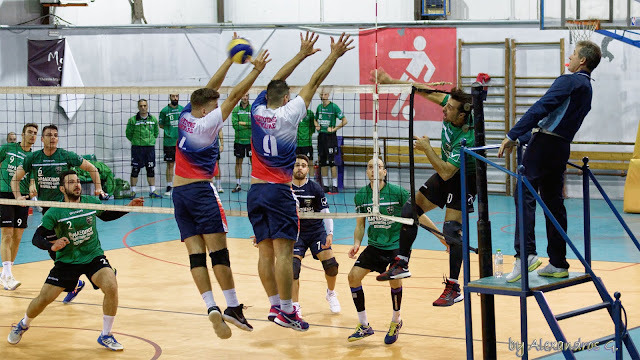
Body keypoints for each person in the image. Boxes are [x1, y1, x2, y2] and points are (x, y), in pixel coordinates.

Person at [248, 31, 353, 332]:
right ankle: (286, 311)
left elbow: (274, 83)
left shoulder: (256, 110)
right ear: (284, 99)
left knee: (265, 253)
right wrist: (332, 55)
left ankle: (273, 305)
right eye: (288, 95)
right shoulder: (291, 113)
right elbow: (314, 83)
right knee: (283, 253)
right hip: (279, 191)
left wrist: (300, 55)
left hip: (255, 191)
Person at [172, 42, 270, 339]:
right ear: (206, 109)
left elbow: (210, 89)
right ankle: (231, 306)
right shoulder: (208, 121)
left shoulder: (186, 117)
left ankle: (210, 305)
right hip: (201, 193)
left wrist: (229, 61)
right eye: (213, 106)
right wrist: (255, 70)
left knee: (195, 256)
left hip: (179, 195)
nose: (218, 107)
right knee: (219, 253)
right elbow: (235, 95)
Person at [498, 40, 602, 282]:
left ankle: (525, 256)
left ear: (582, 61)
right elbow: (556, 120)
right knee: (554, 202)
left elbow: (541, 109)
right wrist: (523, 136)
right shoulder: (587, 88)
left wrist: (512, 134)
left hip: (543, 146)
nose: (571, 56)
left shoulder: (569, 80)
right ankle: (558, 262)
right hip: (560, 148)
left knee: (523, 193)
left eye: (574, 53)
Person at [7, 170, 144, 350]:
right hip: (67, 262)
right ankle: (23, 323)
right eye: (72, 182)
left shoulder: (91, 202)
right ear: (63, 189)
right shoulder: (55, 211)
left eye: (78, 181)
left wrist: (129, 207)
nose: (77, 184)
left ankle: (106, 335)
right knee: (44, 299)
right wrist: (52, 246)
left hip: (93, 256)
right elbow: (36, 238)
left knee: (111, 285)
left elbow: (108, 215)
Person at [374, 68, 477, 308]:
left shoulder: (468, 137)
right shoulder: (453, 109)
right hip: (446, 173)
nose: (444, 109)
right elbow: (422, 90)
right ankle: (401, 262)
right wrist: (392, 80)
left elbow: (445, 171)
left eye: (449, 108)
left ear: (462, 116)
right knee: (410, 209)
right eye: (447, 105)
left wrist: (427, 147)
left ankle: (453, 287)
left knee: (451, 231)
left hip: (463, 179)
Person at [12, 124, 108, 303]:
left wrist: (98, 188)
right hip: (49, 211)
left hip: (67, 209)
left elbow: (92, 169)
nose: (53, 138)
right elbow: (15, 178)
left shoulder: (66, 155)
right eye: (49, 135)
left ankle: (90, 273)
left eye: (56, 135)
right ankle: (77, 280)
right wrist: (18, 197)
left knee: (70, 244)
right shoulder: (34, 158)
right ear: (42, 139)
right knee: (53, 246)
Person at [347, 158, 409, 345]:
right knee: (353, 277)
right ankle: (364, 325)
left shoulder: (398, 193)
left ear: (384, 172)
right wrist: (357, 242)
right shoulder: (361, 196)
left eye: (378, 167)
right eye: (370, 167)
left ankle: (396, 321)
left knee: (394, 279)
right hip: (375, 245)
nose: (374, 170)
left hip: (396, 244)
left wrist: (441, 237)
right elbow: (360, 224)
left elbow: (417, 213)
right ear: (367, 172)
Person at [291, 154, 340, 315]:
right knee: (293, 269)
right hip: (295, 234)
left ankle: (331, 294)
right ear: (292, 167)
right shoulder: (285, 188)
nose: (300, 168)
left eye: (303, 165)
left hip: (316, 232)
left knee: (331, 266)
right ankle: (295, 305)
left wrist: (330, 233)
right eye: (297, 165)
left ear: (308, 169)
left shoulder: (315, 188)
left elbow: (325, 211)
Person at [0, 123, 38, 290]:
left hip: (22, 196)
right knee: (7, 234)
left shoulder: (34, 156)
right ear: (23, 134)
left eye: (35, 133)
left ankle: (6, 272)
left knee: (18, 236)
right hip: (5, 193)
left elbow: (33, 176)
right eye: (29, 132)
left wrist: (32, 184)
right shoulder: (8, 148)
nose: (32, 135)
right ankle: (8, 275)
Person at [126, 99, 162, 198]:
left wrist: (150, 141)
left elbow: (156, 133)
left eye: (144, 105)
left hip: (149, 148)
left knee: (150, 169)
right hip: (137, 148)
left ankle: (152, 191)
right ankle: (133, 191)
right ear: (138, 107)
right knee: (135, 169)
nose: (143, 107)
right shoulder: (133, 120)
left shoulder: (153, 119)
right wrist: (136, 141)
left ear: (147, 106)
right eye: (141, 106)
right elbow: (128, 134)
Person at [314, 87, 348, 194]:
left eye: (324, 95)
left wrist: (334, 129)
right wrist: (317, 125)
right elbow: (315, 119)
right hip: (321, 137)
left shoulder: (334, 107)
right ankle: (324, 186)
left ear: (328, 95)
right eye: (321, 95)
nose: (322, 96)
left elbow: (345, 120)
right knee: (322, 162)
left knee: (332, 162)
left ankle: (335, 186)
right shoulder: (319, 107)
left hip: (330, 137)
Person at [158, 94, 184, 196]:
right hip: (169, 142)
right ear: (169, 97)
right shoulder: (164, 110)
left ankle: (181, 185)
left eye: (177, 96)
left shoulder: (182, 109)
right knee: (170, 164)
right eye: (173, 96)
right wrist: (170, 132)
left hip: (181, 141)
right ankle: (169, 186)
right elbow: (161, 124)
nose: (175, 98)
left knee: (182, 165)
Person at [231, 93, 252, 193]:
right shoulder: (235, 110)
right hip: (239, 141)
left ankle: (254, 185)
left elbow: (254, 123)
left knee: (254, 164)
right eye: (243, 95)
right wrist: (248, 125)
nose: (245, 97)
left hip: (250, 141)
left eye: (247, 95)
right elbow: (235, 125)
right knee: (238, 163)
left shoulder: (252, 109)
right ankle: (238, 184)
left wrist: (243, 123)